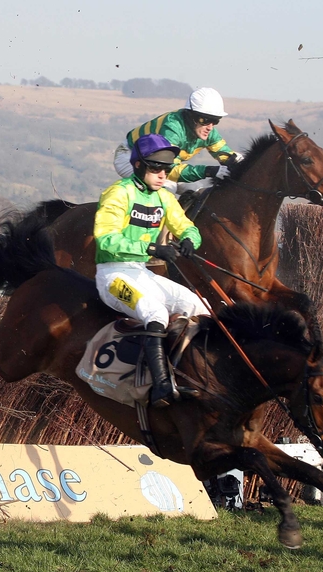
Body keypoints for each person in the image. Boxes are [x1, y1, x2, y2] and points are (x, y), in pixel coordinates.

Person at [94, 133, 209, 408]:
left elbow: (185, 226)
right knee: (155, 312)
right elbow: (105, 238)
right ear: (137, 166)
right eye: (155, 168)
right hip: (112, 275)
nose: (162, 175)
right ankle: (160, 388)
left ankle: (198, 376)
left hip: (141, 273)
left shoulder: (165, 198)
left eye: (166, 169)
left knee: (199, 307)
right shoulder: (118, 192)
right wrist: (152, 250)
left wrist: (192, 239)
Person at [113, 87, 242, 193]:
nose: (209, 127)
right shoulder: (172, 128)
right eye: (205, 120)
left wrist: (239, 162)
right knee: (168, 189)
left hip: (160, 166)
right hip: (131, 158)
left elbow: (227, 156)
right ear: (190, 115)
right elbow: (170, 168)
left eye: (215, 121)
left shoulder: (209, 132)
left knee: (197, 190)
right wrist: (208, 171)